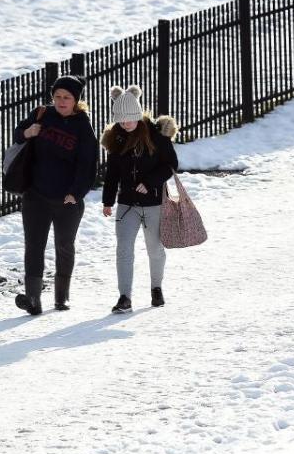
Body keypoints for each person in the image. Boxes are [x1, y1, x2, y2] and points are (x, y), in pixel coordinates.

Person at [12, 75, 98, 315]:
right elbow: (18, 134)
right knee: (34, 246)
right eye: (57, 96)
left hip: (66, 200)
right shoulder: (42, 113)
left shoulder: (82, 124)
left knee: (64, 245)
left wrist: (76, 193)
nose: (61, 101)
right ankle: (33, 299)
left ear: (76, 100)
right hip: (35, 196)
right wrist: (28, 132)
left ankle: (62, 296)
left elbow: (88, 164)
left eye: (67, 97)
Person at [100, 85, 179, 313]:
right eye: (121, 121)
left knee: (154, 248)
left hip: (154, 203)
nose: (125, 124)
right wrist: (107, 201)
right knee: (123, 249)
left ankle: (156, 288)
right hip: (127, 204)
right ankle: (124, 296)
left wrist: (151, 182)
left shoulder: (157, 137)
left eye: (129, 120)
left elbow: (171, 165)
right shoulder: (116, 139)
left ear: (137, 116)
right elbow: (112, 173)